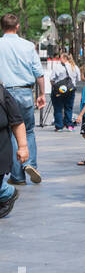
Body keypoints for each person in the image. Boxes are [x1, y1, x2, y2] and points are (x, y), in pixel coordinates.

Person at [0, 13, 44, 186]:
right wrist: (41, 94)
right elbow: (38, 72)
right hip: (25, 92)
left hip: (4, 94)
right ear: (17, 26)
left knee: (11, 131)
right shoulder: (28, 46)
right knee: (29, 130)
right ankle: (30, 164)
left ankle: (17, 176)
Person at [0, 87, 30, 219]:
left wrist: (23, 147)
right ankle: (5, 191)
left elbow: (17, 122)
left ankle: (6, 192)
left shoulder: (2, 93)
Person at [46, 51, 78, 131]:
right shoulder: (74, 67)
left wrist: (54, 87)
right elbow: (78, 79)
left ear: (64, 58)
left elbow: (52, 79)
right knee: (69, 107)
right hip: (70, 90)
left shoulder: (57, 67)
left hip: (59, 91)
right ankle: (69, 125)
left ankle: (59, 126)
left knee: (58, 108)